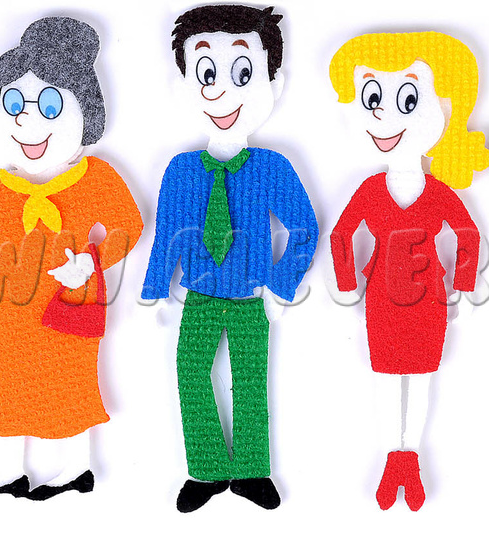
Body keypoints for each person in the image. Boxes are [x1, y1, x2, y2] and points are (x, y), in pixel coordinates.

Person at [0, 16, 143, 502]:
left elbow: (129, 225)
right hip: (3, 320)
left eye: (48, 106)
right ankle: (9, 472)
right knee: (6, 393)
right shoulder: (0, 190)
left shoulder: (94, 178)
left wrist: (91, 259)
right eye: (14, 105)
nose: (28, 121)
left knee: (70, 386)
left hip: (67, 308)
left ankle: (77, 468)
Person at [141, 4, 317, 512]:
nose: (220, 91)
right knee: (189, 372)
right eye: (205, 74)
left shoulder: (272, 167)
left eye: (242, 74)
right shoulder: (180, 170)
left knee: (251, 380)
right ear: (182, 84)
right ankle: (206, 467)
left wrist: (281, 284)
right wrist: (155, 289)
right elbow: (167, 234)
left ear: (273, 84)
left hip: (252, 296)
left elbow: (304, 227)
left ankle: (252, 470)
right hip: (197, 294)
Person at [328, 31, 488, 511]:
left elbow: (468, 235)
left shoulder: (438, 192)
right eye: (372, 99)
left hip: (430, 301)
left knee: (421, 378)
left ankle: (409, 458)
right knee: (384, 377)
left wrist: (462, 287)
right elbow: (340, 235)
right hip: (380, 300)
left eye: (407, 100)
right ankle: (390, 460)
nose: (383, 116)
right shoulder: (371, 189)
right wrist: (348, 285)